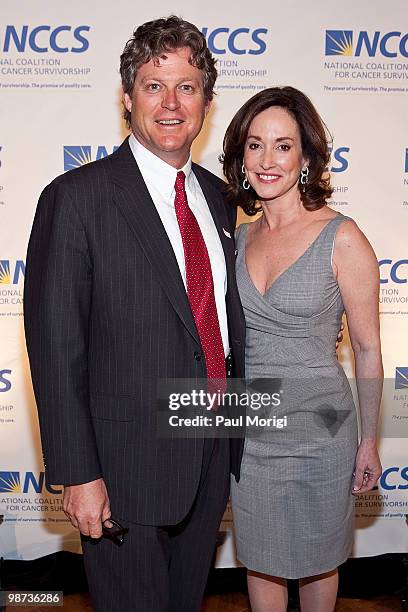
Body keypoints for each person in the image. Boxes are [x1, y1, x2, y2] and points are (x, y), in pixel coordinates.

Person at [23, 16, 245, 612]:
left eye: (187, 87)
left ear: (206, 100)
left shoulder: (221, 197)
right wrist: (79, 473)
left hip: (209, 452)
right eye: (154, 86)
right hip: (120, 468)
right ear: (127, 97)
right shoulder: (75, 198)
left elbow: (223, 331)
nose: (172, 104)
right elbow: (55, 348)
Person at [222, 86, 383, 612]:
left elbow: (366, 349)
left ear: (307, 156)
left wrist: (369, 443)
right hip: (253, 430)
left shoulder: (343, 238)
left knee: (319, 560)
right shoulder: (237, 240)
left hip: (322, 429)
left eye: (283, 146)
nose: (268, 160)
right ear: (241, 156)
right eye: (255, 145)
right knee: (261, 558)